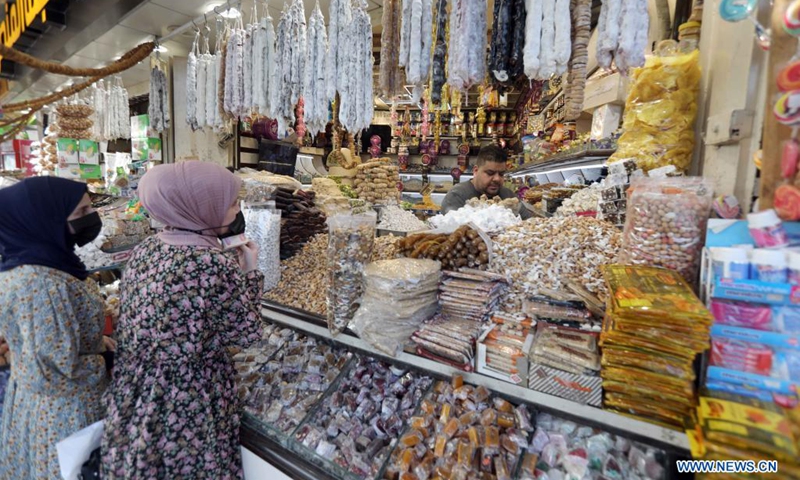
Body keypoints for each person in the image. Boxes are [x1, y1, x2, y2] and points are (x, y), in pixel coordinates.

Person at [102, 161, 265, 479]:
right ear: (200, 208)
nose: (236, 210)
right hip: (191, 399)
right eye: (231, 203)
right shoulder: (212, 262)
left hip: (140, 390)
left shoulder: (148, 248)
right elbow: (245, 334)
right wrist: (250, 271)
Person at [0, 177, 109, 479]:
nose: (92, 217)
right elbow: (52, 372)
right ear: (46, 218)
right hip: (65, 414)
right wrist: (103, 361)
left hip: (54, 408)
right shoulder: (41, 283)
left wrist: (97, 342)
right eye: (82, 211)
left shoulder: (43, 261)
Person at [441, 145, 533, 219]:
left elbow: (528, 223)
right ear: (476, 171)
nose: (497, 179)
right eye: (490, 173)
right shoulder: (457, 196)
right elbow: (451, 233)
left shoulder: (509, 195)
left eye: (501, 174)